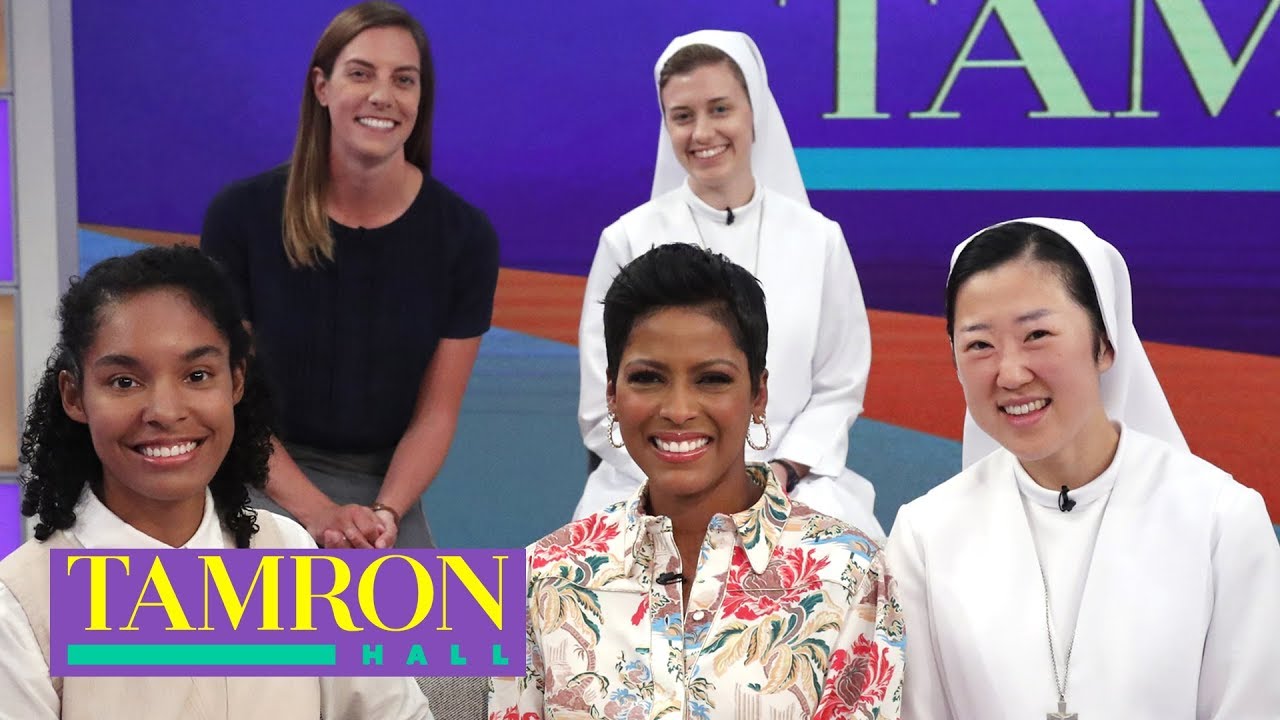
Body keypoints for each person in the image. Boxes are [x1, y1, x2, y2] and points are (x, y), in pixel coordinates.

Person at [0, 246, 433, 719]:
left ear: (236, 382)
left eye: (197, 375)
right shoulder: (23, 602)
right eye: (124, 382)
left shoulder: (290, 554)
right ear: (74, 396)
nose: (165, 412)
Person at [885, 218, 1280, 718]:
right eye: (979, 345)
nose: (1011, 374)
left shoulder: (1221, 521)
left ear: (1105, 343)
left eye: (1037, 334)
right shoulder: (924, 535)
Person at [492, 244, 903, 719]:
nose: (679, 409)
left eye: (712, 379)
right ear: (612, 394)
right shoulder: (537, 576)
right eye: (648, 378)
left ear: (759, 394)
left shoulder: (851, 572)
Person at [201, 1, 499, 549]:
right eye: (361, 73)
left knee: (425, 603)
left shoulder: (466, 237)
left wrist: (384, 513)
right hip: (256, 467)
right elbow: (228, 395)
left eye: (403, 79)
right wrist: (319, 514)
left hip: (384, 488)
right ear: (322, 87)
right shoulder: (240, 217)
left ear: (420, 98)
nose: (382, 95)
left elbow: (435, 415)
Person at [575, 30, 882, 539]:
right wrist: (690, 477)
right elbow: (598, 407)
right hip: (652, 480)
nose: (702, 132)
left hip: (793, 484)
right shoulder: (627, 240)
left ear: (754, 112)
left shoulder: (819, 239)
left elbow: (839, 385)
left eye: (720, 109)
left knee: (850, 560)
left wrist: (779, 472)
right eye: (682, 116)